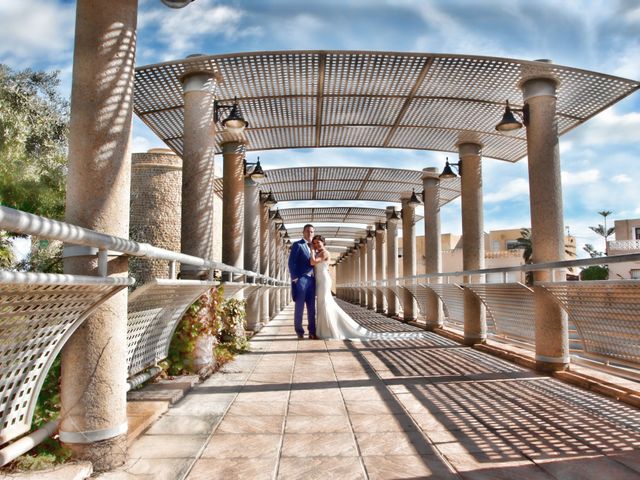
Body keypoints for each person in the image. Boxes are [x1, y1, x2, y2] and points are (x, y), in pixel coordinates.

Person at [310, 234, 425, 340]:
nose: (316, 245)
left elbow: (313, 262)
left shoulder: (324, 253)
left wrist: (310, 249)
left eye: (318, 242)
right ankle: (324, 330)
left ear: (323, 243)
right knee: (321, 304)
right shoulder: (318, 252)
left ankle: (328, 331)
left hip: (324, 280)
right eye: (314, 243)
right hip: (320, 280)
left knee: (325, 302)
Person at [288, 224, 317, 339]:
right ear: (303, 232)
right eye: (308, 231)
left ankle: (312, 332)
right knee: (299, 307)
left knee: (312, 308)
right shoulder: (297, 245)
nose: (310, 234)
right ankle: (299, 331)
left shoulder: (314, 246)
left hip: (312, 280)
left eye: (312, 232)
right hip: (301, 280)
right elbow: (291, 263)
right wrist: (295, 278)